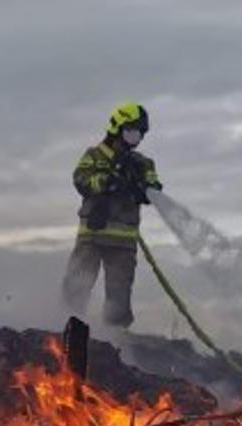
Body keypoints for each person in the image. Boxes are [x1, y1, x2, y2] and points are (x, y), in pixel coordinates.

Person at [63, 102, 161, 328]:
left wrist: (145, 188)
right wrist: (106, 182)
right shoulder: (94, 155)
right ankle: (66, 332)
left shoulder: (142, 163)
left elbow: (153, 187)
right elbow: (81, 179)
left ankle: (116, 345)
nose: (137, 136)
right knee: (76, 288)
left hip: (123, 244)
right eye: (133, 129)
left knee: (119, 300)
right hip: (92, 236)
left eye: (140, 132)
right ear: (119, 126)